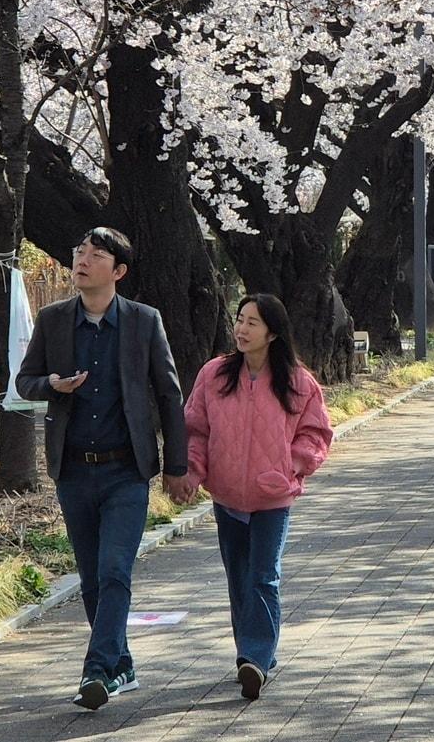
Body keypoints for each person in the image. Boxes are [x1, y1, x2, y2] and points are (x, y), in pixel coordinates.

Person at [15, 227, 192, 711]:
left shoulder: (142, 321)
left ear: (118, 271)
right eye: (79, 252)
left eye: (96, 255)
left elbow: (169, 395)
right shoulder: (54, 321)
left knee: (115, 569)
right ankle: (122, 664)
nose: (83, 260)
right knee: (92, 577)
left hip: (125, 470)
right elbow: (24, 381)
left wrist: (178, 465)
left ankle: (96, 671)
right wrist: (53, 383)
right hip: (73, 469)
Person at [182, 294, 333, 700]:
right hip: (228, 496)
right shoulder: (214, 375)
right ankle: (250, 654)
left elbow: (316, 434)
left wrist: (292, 467)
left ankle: (257, 658)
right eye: (240, 319)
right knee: (239, 580)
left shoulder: (299, 382)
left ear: (273, 332)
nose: (242, 329)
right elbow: (195, 430)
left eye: (252, 322)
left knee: (263, 577)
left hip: (273, 499)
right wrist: (193, 472)